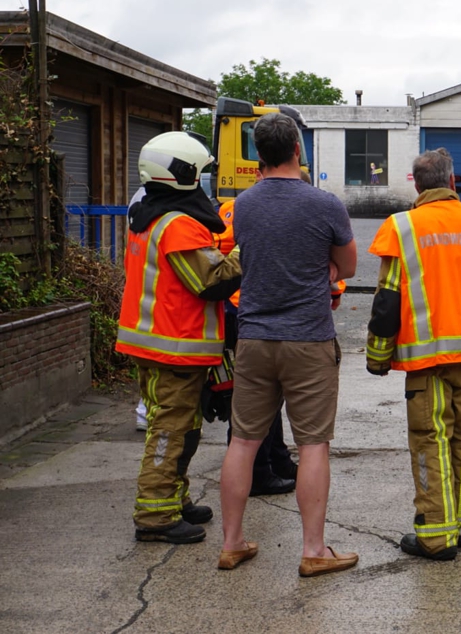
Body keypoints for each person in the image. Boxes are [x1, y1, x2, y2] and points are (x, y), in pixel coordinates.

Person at [218, 112, 359, 576]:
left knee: (243, 441)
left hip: (255, 338)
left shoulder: (244, 206)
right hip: (308, 341)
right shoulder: (326, 205)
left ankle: (233, 542)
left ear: (259, 155)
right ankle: (314, 550)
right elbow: (350, 267)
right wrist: (327, 268)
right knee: (313, 444)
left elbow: (247, 257)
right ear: (298, 149)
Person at [365, 147, 461, 561]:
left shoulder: (401, 227)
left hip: (426, 365)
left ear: (416, 185)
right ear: (453, 182)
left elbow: (387, 300)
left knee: (428, 442)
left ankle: (436, 536)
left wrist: (377, 356)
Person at [116, 132, 242, 544]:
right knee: (170, 430)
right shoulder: (179, 225)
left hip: (154, 343)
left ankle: (173, 499)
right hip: (174, 347)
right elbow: (212, 282)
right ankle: (155, 516)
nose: (204, 182)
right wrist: (242, 252)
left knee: (182, 427)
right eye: (201, 173)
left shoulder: (147, 215)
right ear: (182, 174)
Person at [211, 181, 297, 497]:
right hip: (254, 309)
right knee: (255, 400)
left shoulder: (232, 208)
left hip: (234, 307)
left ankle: (277, 459)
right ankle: (260, 472)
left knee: (259, 395)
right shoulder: (278, 209)